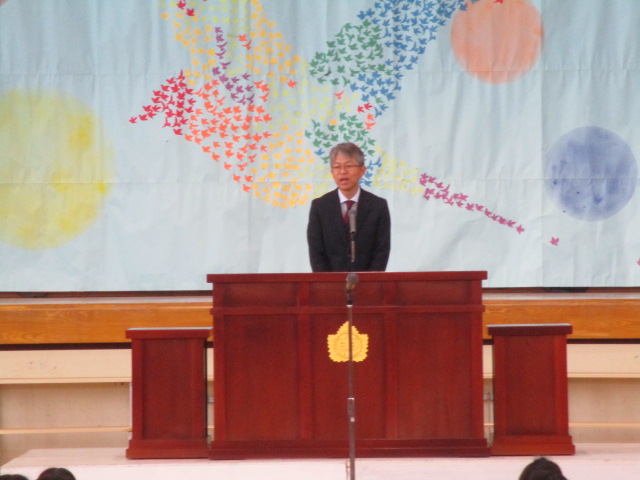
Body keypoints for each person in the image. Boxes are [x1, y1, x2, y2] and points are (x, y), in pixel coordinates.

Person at [307, 142, 391, 272]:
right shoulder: (320, 207)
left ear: (362, 170)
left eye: (349, 166)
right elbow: (316, 253)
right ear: (332, 172)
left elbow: (381, 251)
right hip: (329, 282)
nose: (343, 172)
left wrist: (370, 280)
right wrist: (327, 281)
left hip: (368, 281)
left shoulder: (378, 206)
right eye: (337, 167)